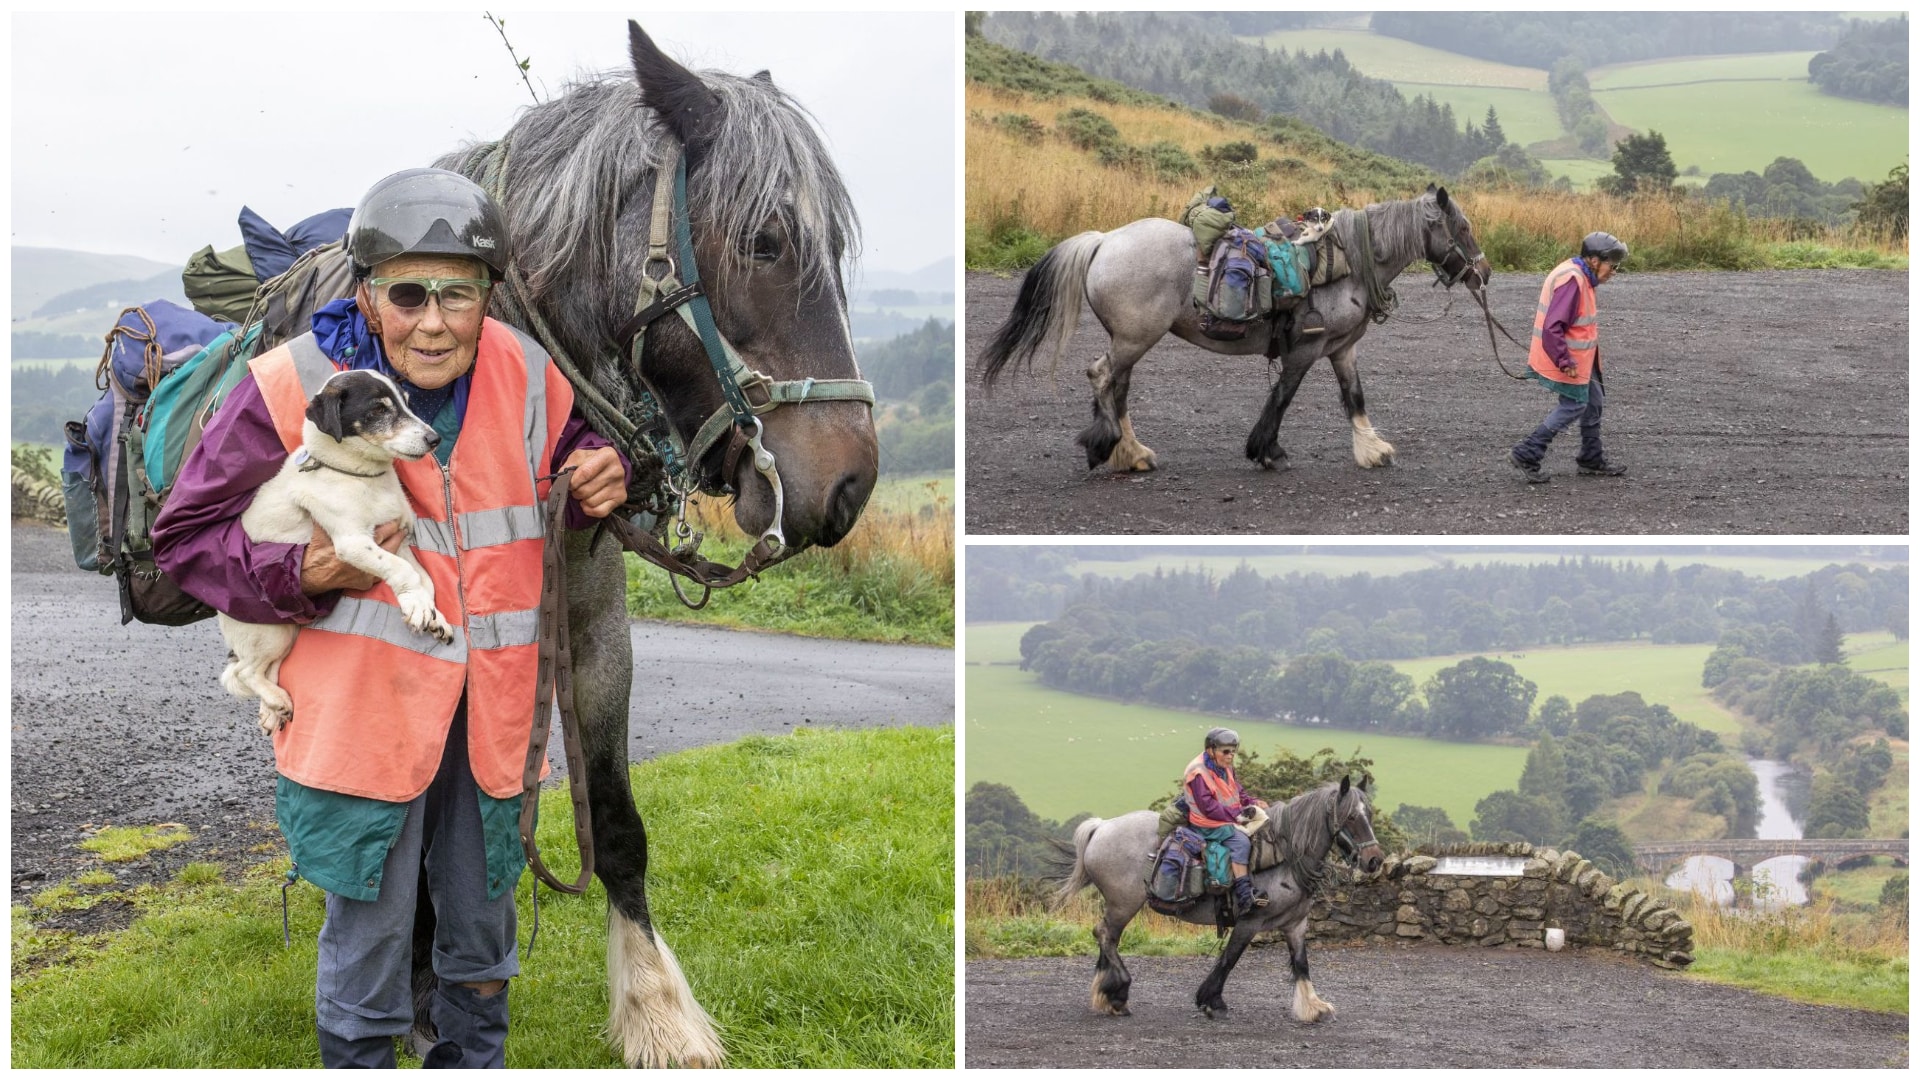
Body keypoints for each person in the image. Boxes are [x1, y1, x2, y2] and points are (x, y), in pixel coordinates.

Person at [152, 168, 628, 1068]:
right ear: (367, 296)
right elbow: (185, 541)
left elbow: (574, 464)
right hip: (361, 726)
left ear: (490, 296)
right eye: (408, 294)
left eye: (459, 293)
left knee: (482, 958)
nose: (435, 320)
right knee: (369, 963)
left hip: (488, 724)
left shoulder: (528, 373)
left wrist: (605, 471)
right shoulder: (290, 384)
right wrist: (303, 571)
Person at [1509, 231, 1631, 483]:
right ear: (1595, 261)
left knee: (1594, 401)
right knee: (1575, 405)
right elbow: (1552, 328)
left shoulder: (1580, 274)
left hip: (1584, 361)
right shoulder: (1573, 280)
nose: (1614, 271)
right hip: (1568, 360)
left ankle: (1591, 458)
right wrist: (1565, 361)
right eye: (1613, 265)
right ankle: (1527, 453)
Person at [1182, 727, 1270, 916]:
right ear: (1210, 751)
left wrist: (1252, 802)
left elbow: (1237, 791)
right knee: (1241, 842)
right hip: (1206, 824)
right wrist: (1240, 815)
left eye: (1233, 751)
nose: (1230, 756)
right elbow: (1209, 808)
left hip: (1226, 817)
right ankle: (1244, 896)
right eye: (1225, 751)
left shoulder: (1224, 767)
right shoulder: (1198, 773)